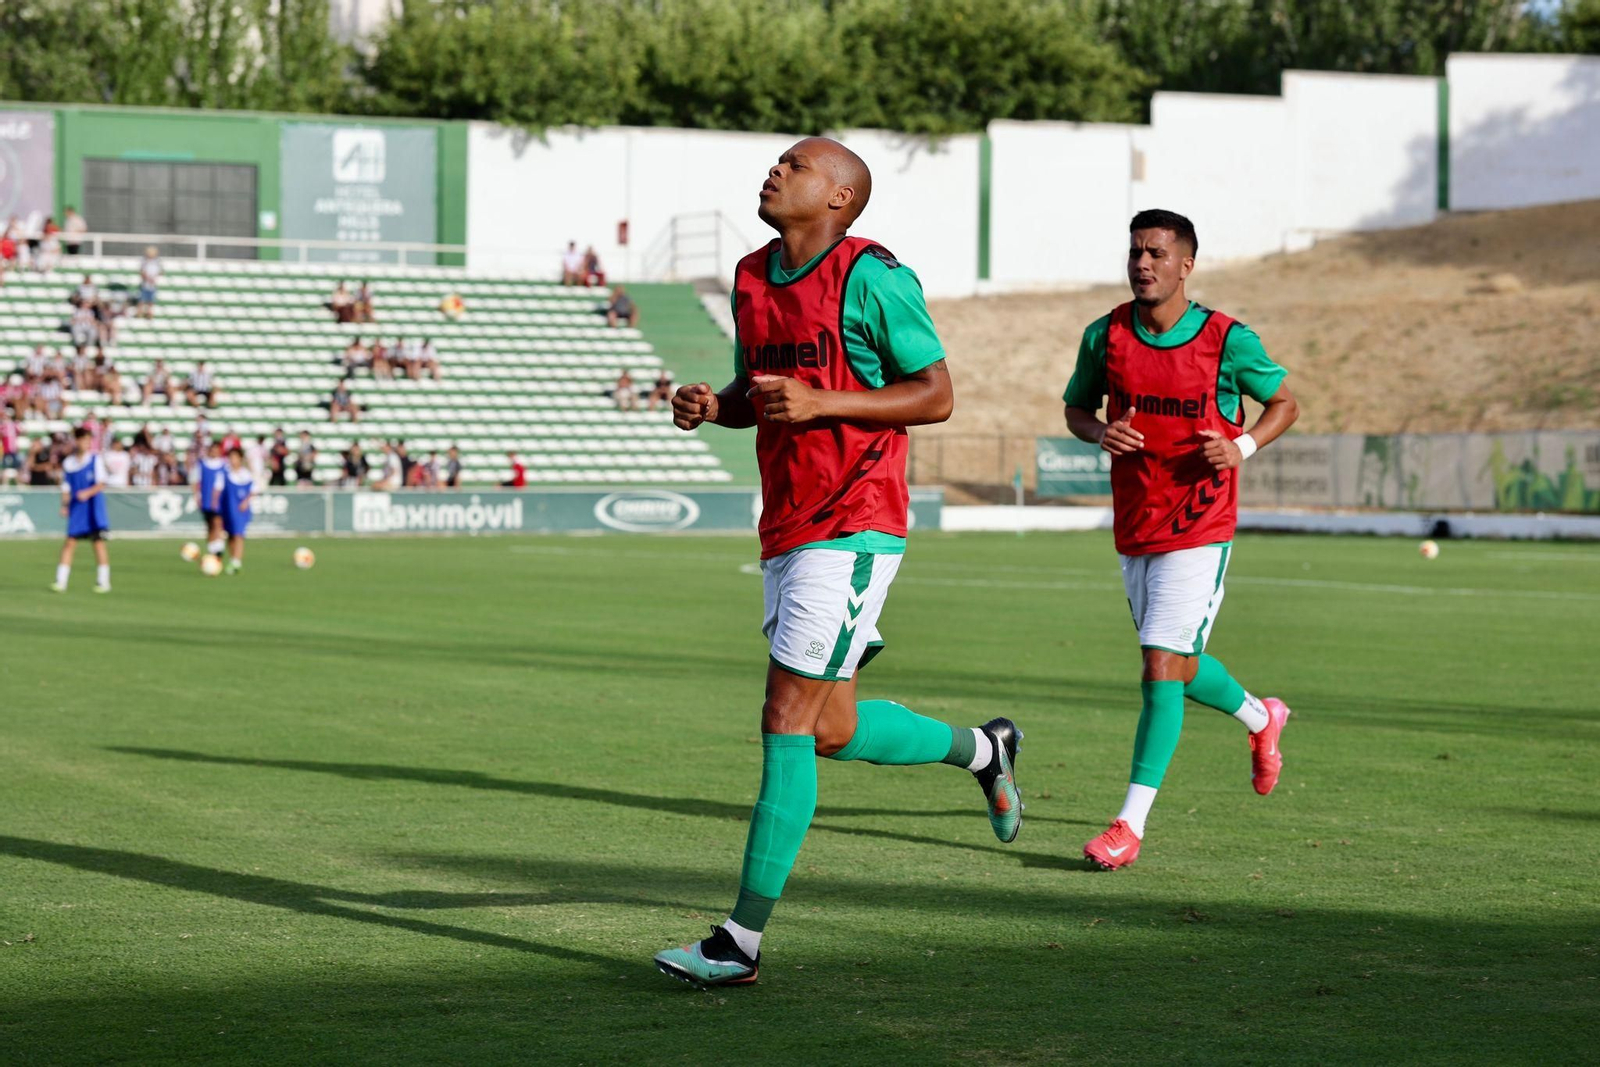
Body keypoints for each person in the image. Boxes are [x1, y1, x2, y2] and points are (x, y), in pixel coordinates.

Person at [654, 137, 1011, 991]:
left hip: (855, 523)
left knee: (783, 715)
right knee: (830, 728)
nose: (778, 170)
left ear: (841, 199)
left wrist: (825, 402)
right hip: (785, 524)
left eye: (798, 165)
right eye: (778, 160)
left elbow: (935, 393)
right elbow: (760, 393)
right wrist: (716, 404)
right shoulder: (749, 276)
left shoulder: (875, 277)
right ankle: (983, 751)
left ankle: (739, 941)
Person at [1061, 209, 1302, 871]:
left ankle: (1127, 826)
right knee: (1181, 664)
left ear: (1186, 264)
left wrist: (1242, 444)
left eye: (1157, 253)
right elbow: (1078, 409)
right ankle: (1261, 717)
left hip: (1200, 526)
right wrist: (1097, 432)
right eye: (1136, 251)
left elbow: (1285, 403)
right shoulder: (1105, 334)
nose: (1143, 263)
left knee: (1160, 666)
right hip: (1136, 525)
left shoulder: (1226, 340)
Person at [52, 426, 111, 593]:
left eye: (88, 440)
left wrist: (87, 492)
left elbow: (101, 483)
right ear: (77, 441)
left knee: (98, 543)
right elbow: (65, 488)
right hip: (77, 508)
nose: (86, 443)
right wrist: (64, 506)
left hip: (92, 507)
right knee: (69, 543)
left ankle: (103, 581)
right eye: (83, 440)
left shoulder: (95, 459)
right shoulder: (68, 463)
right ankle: (60, 581)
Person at [220, 445, 256, 575]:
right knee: (230, 535)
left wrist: (246, 502)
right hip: (227, 508)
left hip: (240, 508)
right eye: (231, 457)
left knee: (238, 534)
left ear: (240, 458)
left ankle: (237, 561)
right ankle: (233, 559)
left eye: (235, 457)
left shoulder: (246, 474)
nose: (232, 459)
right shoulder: (225, 472)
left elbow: (253, 490)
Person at [196, 441, 229, 560]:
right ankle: (212, 550)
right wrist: (197, 496)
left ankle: (218, 551)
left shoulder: (224, 464)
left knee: (218, 523)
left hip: (220, 501)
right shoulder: (203, 464)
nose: (214, 451)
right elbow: (197, 481)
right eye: (213, 449)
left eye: (217, 449)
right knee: (209, 526)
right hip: (206, 499)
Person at [136, 247, 161, 318]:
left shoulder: (156, 262)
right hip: (145, 283)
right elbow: (142, 272)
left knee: (151, 300)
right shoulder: (145, 261)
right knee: (142, 299)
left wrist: (154, 278)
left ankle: (149, 313)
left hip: (152, 284)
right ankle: (139, 312)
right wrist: (148, 278)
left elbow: (159, 272)